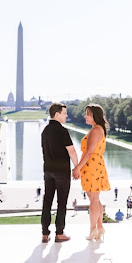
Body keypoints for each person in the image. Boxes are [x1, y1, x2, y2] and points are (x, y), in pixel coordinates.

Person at [41, 102, 80, 244]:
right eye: (64, 113)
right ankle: (59, 233)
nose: (66, 115)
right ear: (57, 114)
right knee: (61, 202)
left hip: (48, 170)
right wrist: (77, 168)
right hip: (62, 171)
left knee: (47, 201)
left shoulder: (45, 131)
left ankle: (45, 234)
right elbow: (72, 151)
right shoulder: (63, 131)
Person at [73, 104, 111, 241]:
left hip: (92, 166)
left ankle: (93, 229)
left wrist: (77, 167)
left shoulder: (95, 130)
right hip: (96, 165)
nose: (85, 116)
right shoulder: (99, 129)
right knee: (95, 199)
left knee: (93, 200)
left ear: (94, 115)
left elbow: (89, 152)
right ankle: (99, 227)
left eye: (87, 114)